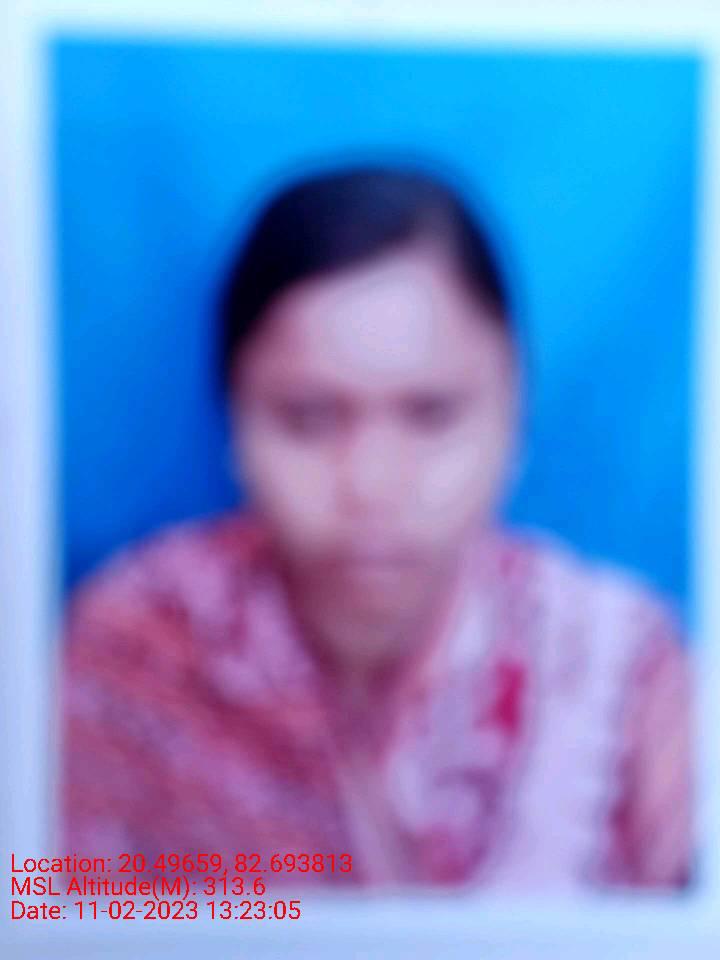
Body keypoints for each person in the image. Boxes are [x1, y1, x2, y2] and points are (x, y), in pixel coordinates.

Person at [61, 164, 692, 890]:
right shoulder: (140, 647)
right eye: (308, 418)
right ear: (233, 417)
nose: (371, 486)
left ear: (514, 409)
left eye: (432, 414)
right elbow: (45, 905)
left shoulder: (621, 668)